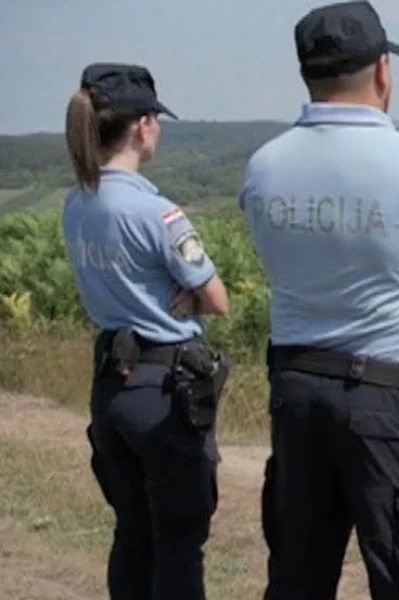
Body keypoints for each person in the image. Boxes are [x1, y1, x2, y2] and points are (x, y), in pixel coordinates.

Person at [238, 1, 399, 598]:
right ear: (382, 70)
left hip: (295, 392)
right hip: (392, 402)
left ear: (308, 76)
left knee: (298, 575)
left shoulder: (262, 168)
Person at [61, 62, 232, 600]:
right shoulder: (156, 213)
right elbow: (217, 299)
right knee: (180, 540)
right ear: (141, 125)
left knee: (133, 533)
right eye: (156, 118)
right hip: (163, 388)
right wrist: (185, 295)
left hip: (109, 385)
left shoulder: (76, 203)